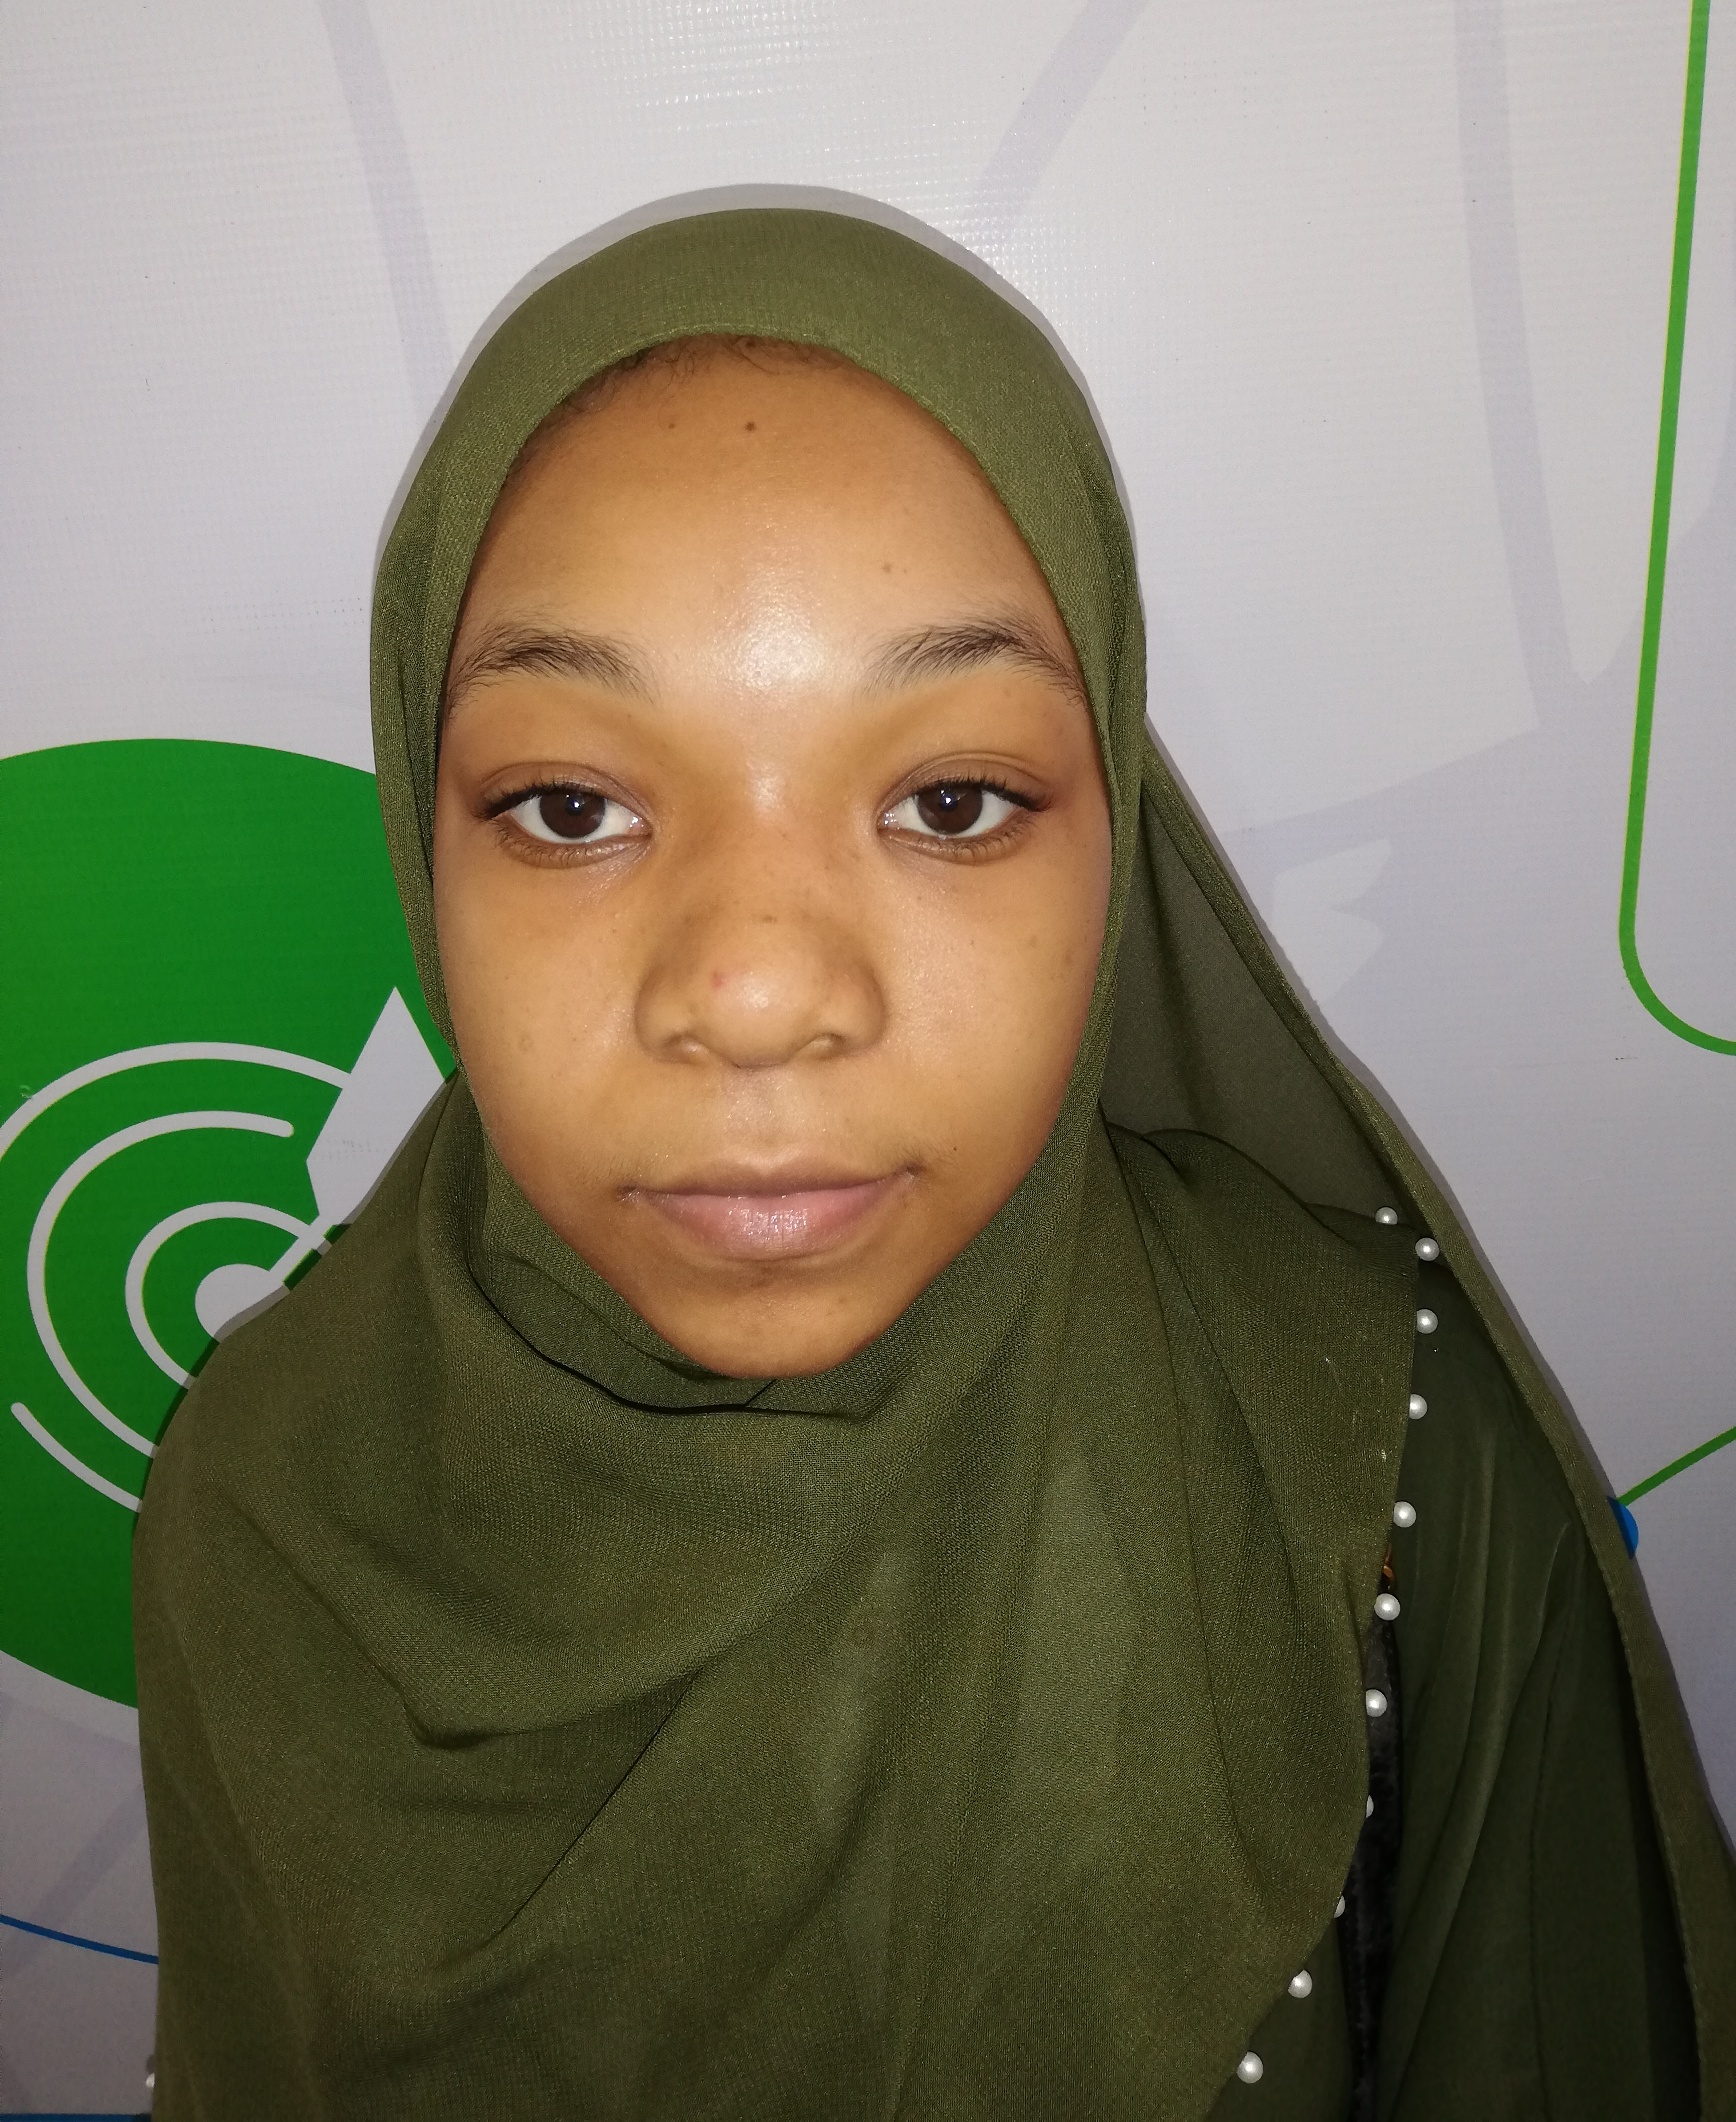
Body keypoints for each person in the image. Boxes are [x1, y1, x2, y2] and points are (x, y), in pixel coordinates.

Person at [133, 206, 1734, 2119]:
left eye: (953, 801)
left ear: (1112, 844)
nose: (756, 993)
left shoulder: (1375, 1453)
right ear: (427, 836)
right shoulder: (262, 1505)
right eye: (569, 808)